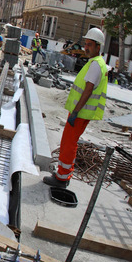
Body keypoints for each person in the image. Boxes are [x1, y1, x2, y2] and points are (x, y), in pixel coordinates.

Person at [44, 27, 108, 189]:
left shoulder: (95, 65)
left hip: (80, 114)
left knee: (68, 144)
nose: (86, 47)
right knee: (69, 142)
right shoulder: (97, 63)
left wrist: (76, 112)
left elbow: (87, 91)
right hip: (81, 113)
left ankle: (62, 178)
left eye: (90, 45)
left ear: (98, 47)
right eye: (85, 44)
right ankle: (63, 174)